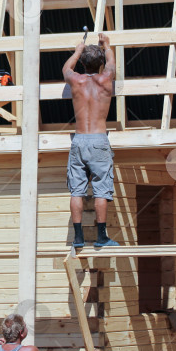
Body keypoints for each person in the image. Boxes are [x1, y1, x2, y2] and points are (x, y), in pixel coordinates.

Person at [62, 33, 119, 248]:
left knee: (76, 190)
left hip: (79, 140)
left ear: (83, 64)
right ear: (101, 63)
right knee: (101, 189)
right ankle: (101, 237)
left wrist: (77, 51)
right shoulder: (106, 79)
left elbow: (66, 69)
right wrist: (107, 46)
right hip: (98, 139)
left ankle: (78, 238)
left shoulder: (75, 80)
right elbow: (112, 64)